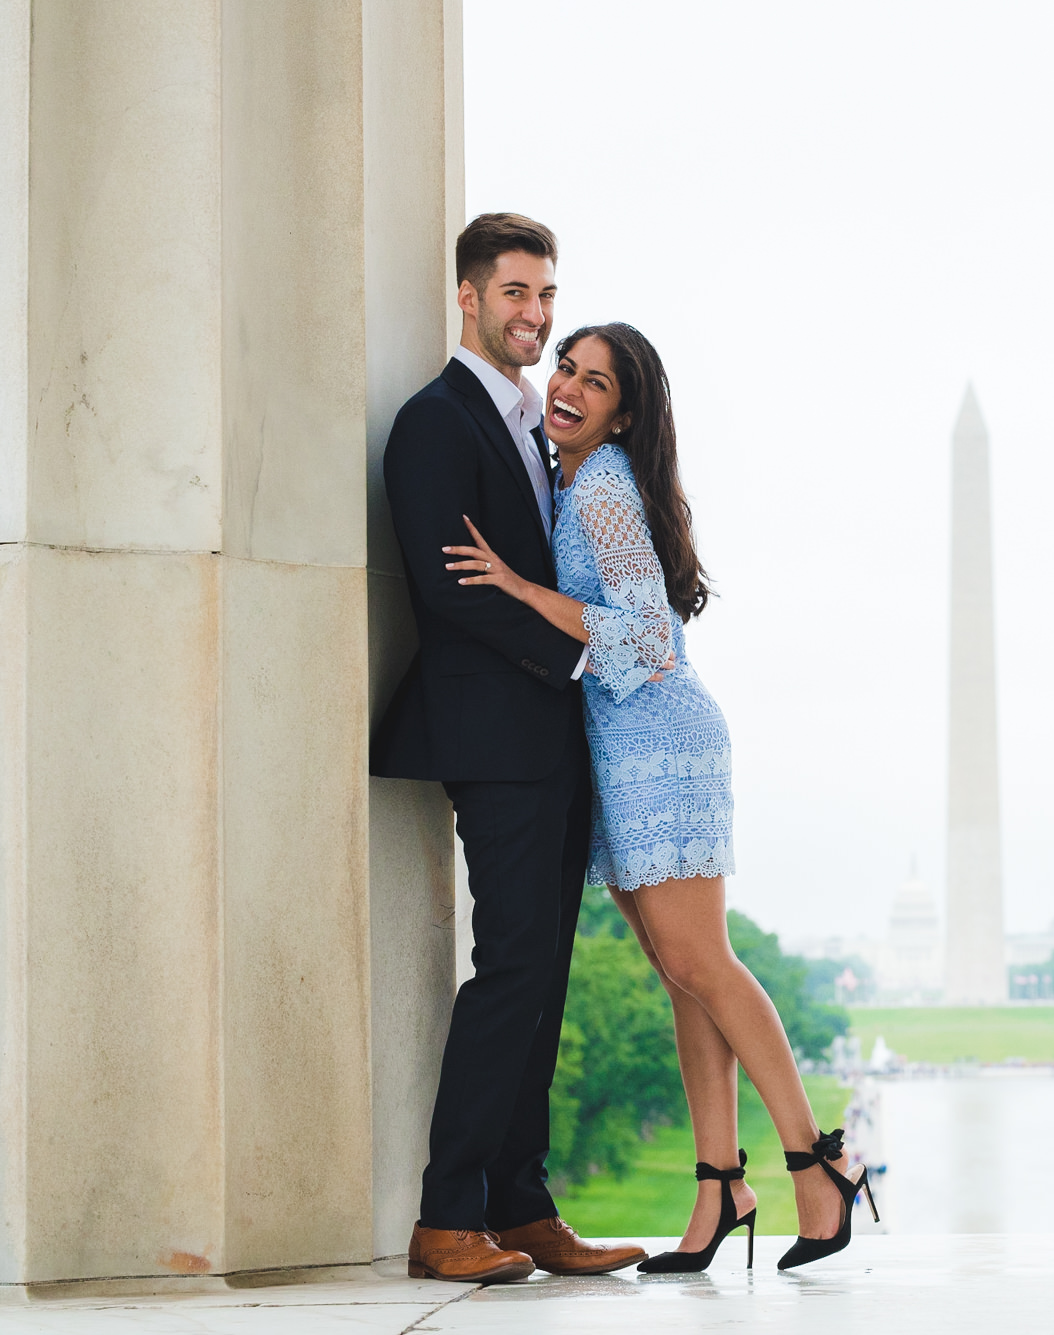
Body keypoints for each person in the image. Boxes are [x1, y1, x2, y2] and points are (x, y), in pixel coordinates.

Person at [444, 322, 876, 1272]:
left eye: (595, 382)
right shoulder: (577, 477)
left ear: (623, 410)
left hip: (660, 740)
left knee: (701, 961)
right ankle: (720, 1185)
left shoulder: (599, 483)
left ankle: (819, 1163)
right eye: (566, 366)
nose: (568, 385)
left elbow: (646, 638)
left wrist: (518, 587)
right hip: (624, 743)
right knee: (682, 971)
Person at [373, 214, 646, 1283]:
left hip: (554, 738)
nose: (534, 314)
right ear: (467, 297)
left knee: (547, 975)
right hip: (494, 733)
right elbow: (450, 591)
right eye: (515, 293)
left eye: (546, 295)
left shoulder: (541, 423)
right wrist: (579, 661)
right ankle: (447, 1216)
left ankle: (523, 1205)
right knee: (511, 971)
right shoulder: (434, 423)